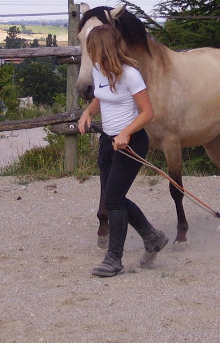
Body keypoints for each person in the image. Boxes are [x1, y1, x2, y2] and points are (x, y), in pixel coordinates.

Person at [77, 24, 168, 277]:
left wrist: (126, 132)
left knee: (114, 199)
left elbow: (148, 112)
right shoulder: (98, 70)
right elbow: (100, 97)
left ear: (102, 49)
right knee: (113, 197)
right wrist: (87, 113)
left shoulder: (130, 74)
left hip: (132, 143)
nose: (89, 53)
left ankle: (114, 259)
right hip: (108, 142)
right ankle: (152, 238)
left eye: (91, 48)